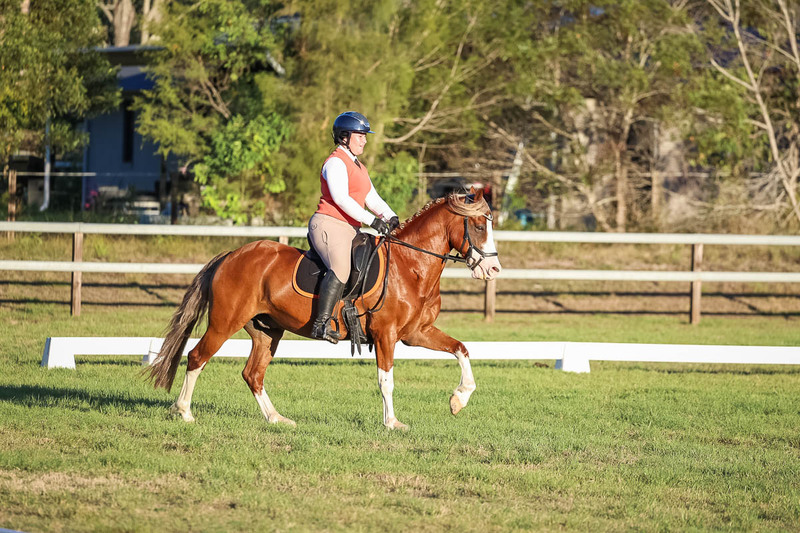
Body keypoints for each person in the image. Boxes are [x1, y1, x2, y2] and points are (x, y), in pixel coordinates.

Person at [308, 111, 400, 343]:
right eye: (360, 135)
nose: (365, 140)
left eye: (364, 135)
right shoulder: (336, 163)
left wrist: (391, 216)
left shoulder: (359, 166)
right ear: (344, 137)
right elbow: (341, 199)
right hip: (329, 224)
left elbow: (372, 197)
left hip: (351, 228)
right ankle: (321, 324)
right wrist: (373, 221)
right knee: (341, 268)